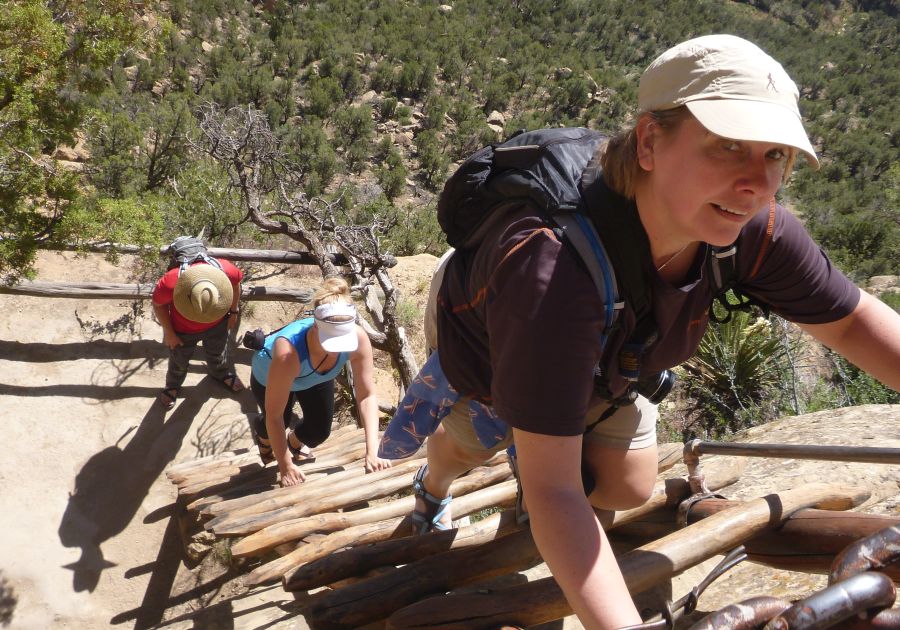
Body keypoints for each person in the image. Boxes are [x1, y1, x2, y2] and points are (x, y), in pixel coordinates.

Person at [378, 34, 900, 627]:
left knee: (627, 486)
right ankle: (434, 485)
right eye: (728, 146)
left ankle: (543, 436)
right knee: (472, 442)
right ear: (650, 140)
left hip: (607, 360)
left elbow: (854, 320)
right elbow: (555, 493)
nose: (756, 183)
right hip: (492, 340)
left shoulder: (751, 228)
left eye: (775, 155)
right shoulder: (552, 268)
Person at [249, 277, 391, 486]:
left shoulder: (358, 339)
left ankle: (293, 443)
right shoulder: (287, 352)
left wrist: (373, 450)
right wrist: (285, 465)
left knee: (319, 431)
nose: (336, 349)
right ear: (315, 326)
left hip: (314, 376)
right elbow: (275, 416)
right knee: (279, 419)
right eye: (331, 341)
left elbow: (366, 395)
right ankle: (264, 440)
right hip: (271, 373)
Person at [152, 256, 245, 410]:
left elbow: (235, 284)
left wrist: (234, 312)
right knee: (178, 361)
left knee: (218, 353)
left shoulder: (225, 271)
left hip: (217, 325)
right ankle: (173, 385)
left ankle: (220, 373)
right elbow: (158, 304)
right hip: (182, 331)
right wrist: (169, 332)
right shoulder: (172, 281)